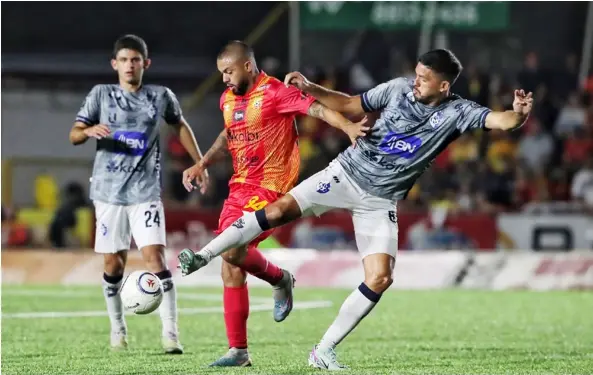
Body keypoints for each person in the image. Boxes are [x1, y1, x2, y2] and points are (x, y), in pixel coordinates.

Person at [178, 49, 533, 370]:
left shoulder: (458, 112)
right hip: (345, 173)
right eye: (416, 73)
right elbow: (350, 104)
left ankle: (324, 350)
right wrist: (312, 87)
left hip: (380, 200)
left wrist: (516, 115)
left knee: (380, 277)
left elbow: (500, 122)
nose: (415, 81)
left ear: (443, 85)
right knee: (277, 211)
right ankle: (204, 255)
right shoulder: (397, 89)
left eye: (424, 78)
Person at [180, 41, 368, 367]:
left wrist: (348, 126)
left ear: (248, 66)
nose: (224, 78)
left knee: (230, 250)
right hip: (238, 187)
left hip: (269, 188)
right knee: (231, 266)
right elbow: (229, 134)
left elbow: (317, 109)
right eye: (221, 72)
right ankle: (239, 351)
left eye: (229, 71)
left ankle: (280, 279)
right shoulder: (228, 99)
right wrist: (203, 163)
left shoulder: (275, 92)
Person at [69, 34, 208, 354]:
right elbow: (74, 134)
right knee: (113, 265)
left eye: (135, 60)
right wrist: (88, 131)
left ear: (145, 64)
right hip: (107, 192)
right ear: (114, 64)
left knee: (155, 258)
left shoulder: (160, 96)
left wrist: (199, 162)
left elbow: (180, 125)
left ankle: (171, 334)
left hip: (145, 192)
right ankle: (118, 329)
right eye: (124, 60)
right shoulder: (100, 95)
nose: (130, 65)